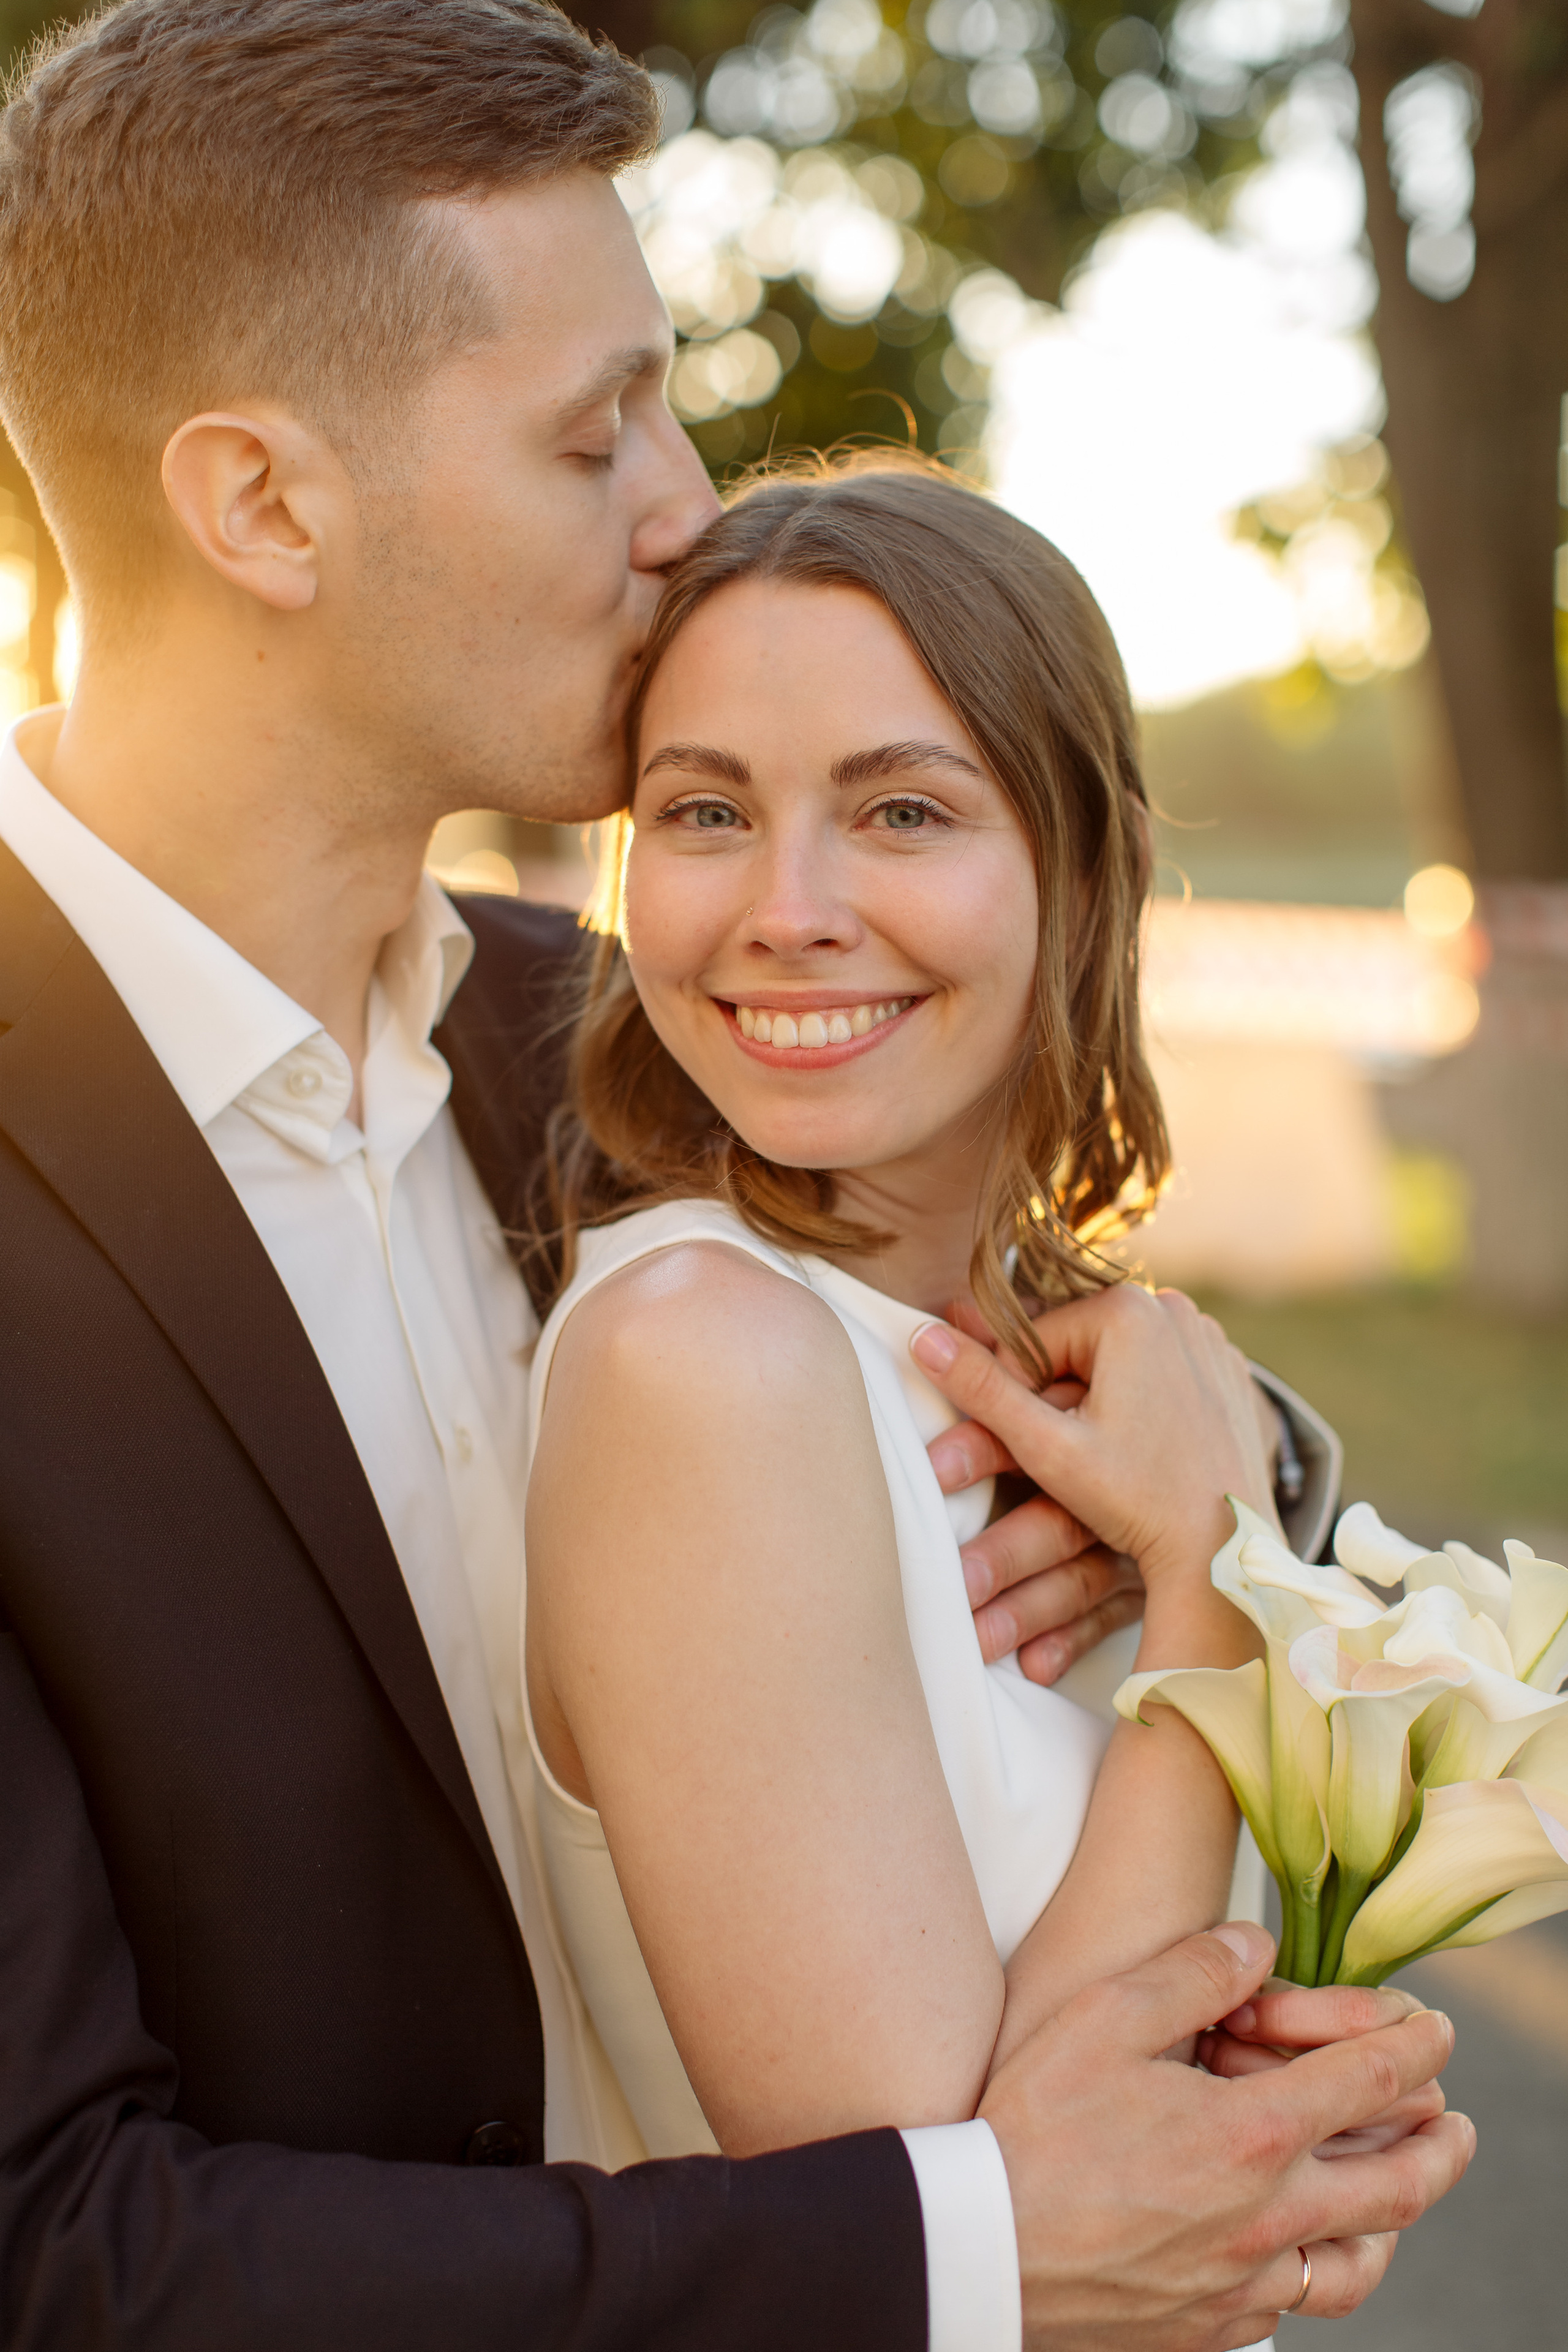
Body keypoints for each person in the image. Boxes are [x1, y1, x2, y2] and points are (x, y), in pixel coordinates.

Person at [0, 2, 1471, 2347]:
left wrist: (1201, 1466)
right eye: (601, 434)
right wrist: (965, 2248)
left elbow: (971, 1362)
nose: (685, 502)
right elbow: (55, 2245)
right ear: (264, 504)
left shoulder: (581, 1045)